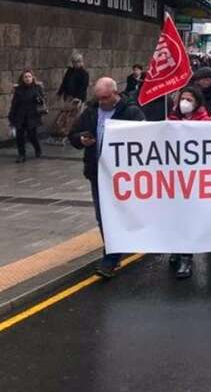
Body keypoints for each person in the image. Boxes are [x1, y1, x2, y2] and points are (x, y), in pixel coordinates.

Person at [68, 77, 144, 278]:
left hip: (124, 176)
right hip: (98, 173)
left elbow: (144, 138)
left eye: (105, 98)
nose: (101, 102)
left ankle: (121, 247)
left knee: (123, 214)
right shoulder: (91, 111)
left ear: (115, 93)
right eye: (98, 98)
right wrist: (81, 140)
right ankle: (111, 257)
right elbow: (73, 134)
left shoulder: (131, 111)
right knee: (103, 216)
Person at [166, 85, 210, 279]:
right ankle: (176, 249)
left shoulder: (205, 122)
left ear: (197, 102)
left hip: (195, 180)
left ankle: (186, 258)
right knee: (175, 217)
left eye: (189, 99)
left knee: (188, 218)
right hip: (173, 179)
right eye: (183, 98)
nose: (185, 103)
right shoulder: (171, 120)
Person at [8, 69, 46, 163]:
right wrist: (11, 116)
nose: (27, 78)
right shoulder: (19, 90)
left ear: (32, 78)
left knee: (32, 135)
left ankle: (37, 149)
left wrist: (38, 99)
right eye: (25, 77)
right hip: (20, 116)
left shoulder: (37, 88)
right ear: (22, 78)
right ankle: (21, 155)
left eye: (29, 76)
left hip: (32, 116)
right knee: (19, 136)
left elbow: (42, 101)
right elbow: (14, 104)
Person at [53, 54, 89, 144]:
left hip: (78, 98)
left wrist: (79, 98)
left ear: (81, 62)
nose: (76, 64)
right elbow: (64, 83)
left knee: (74, 117)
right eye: (74, 62)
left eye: (78, 62)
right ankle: (63, 133)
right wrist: (60, 93)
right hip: (68, 97)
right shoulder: (70, 71)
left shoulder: (84, 73)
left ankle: (70, 134)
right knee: (64, 116)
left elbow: (83, 87)